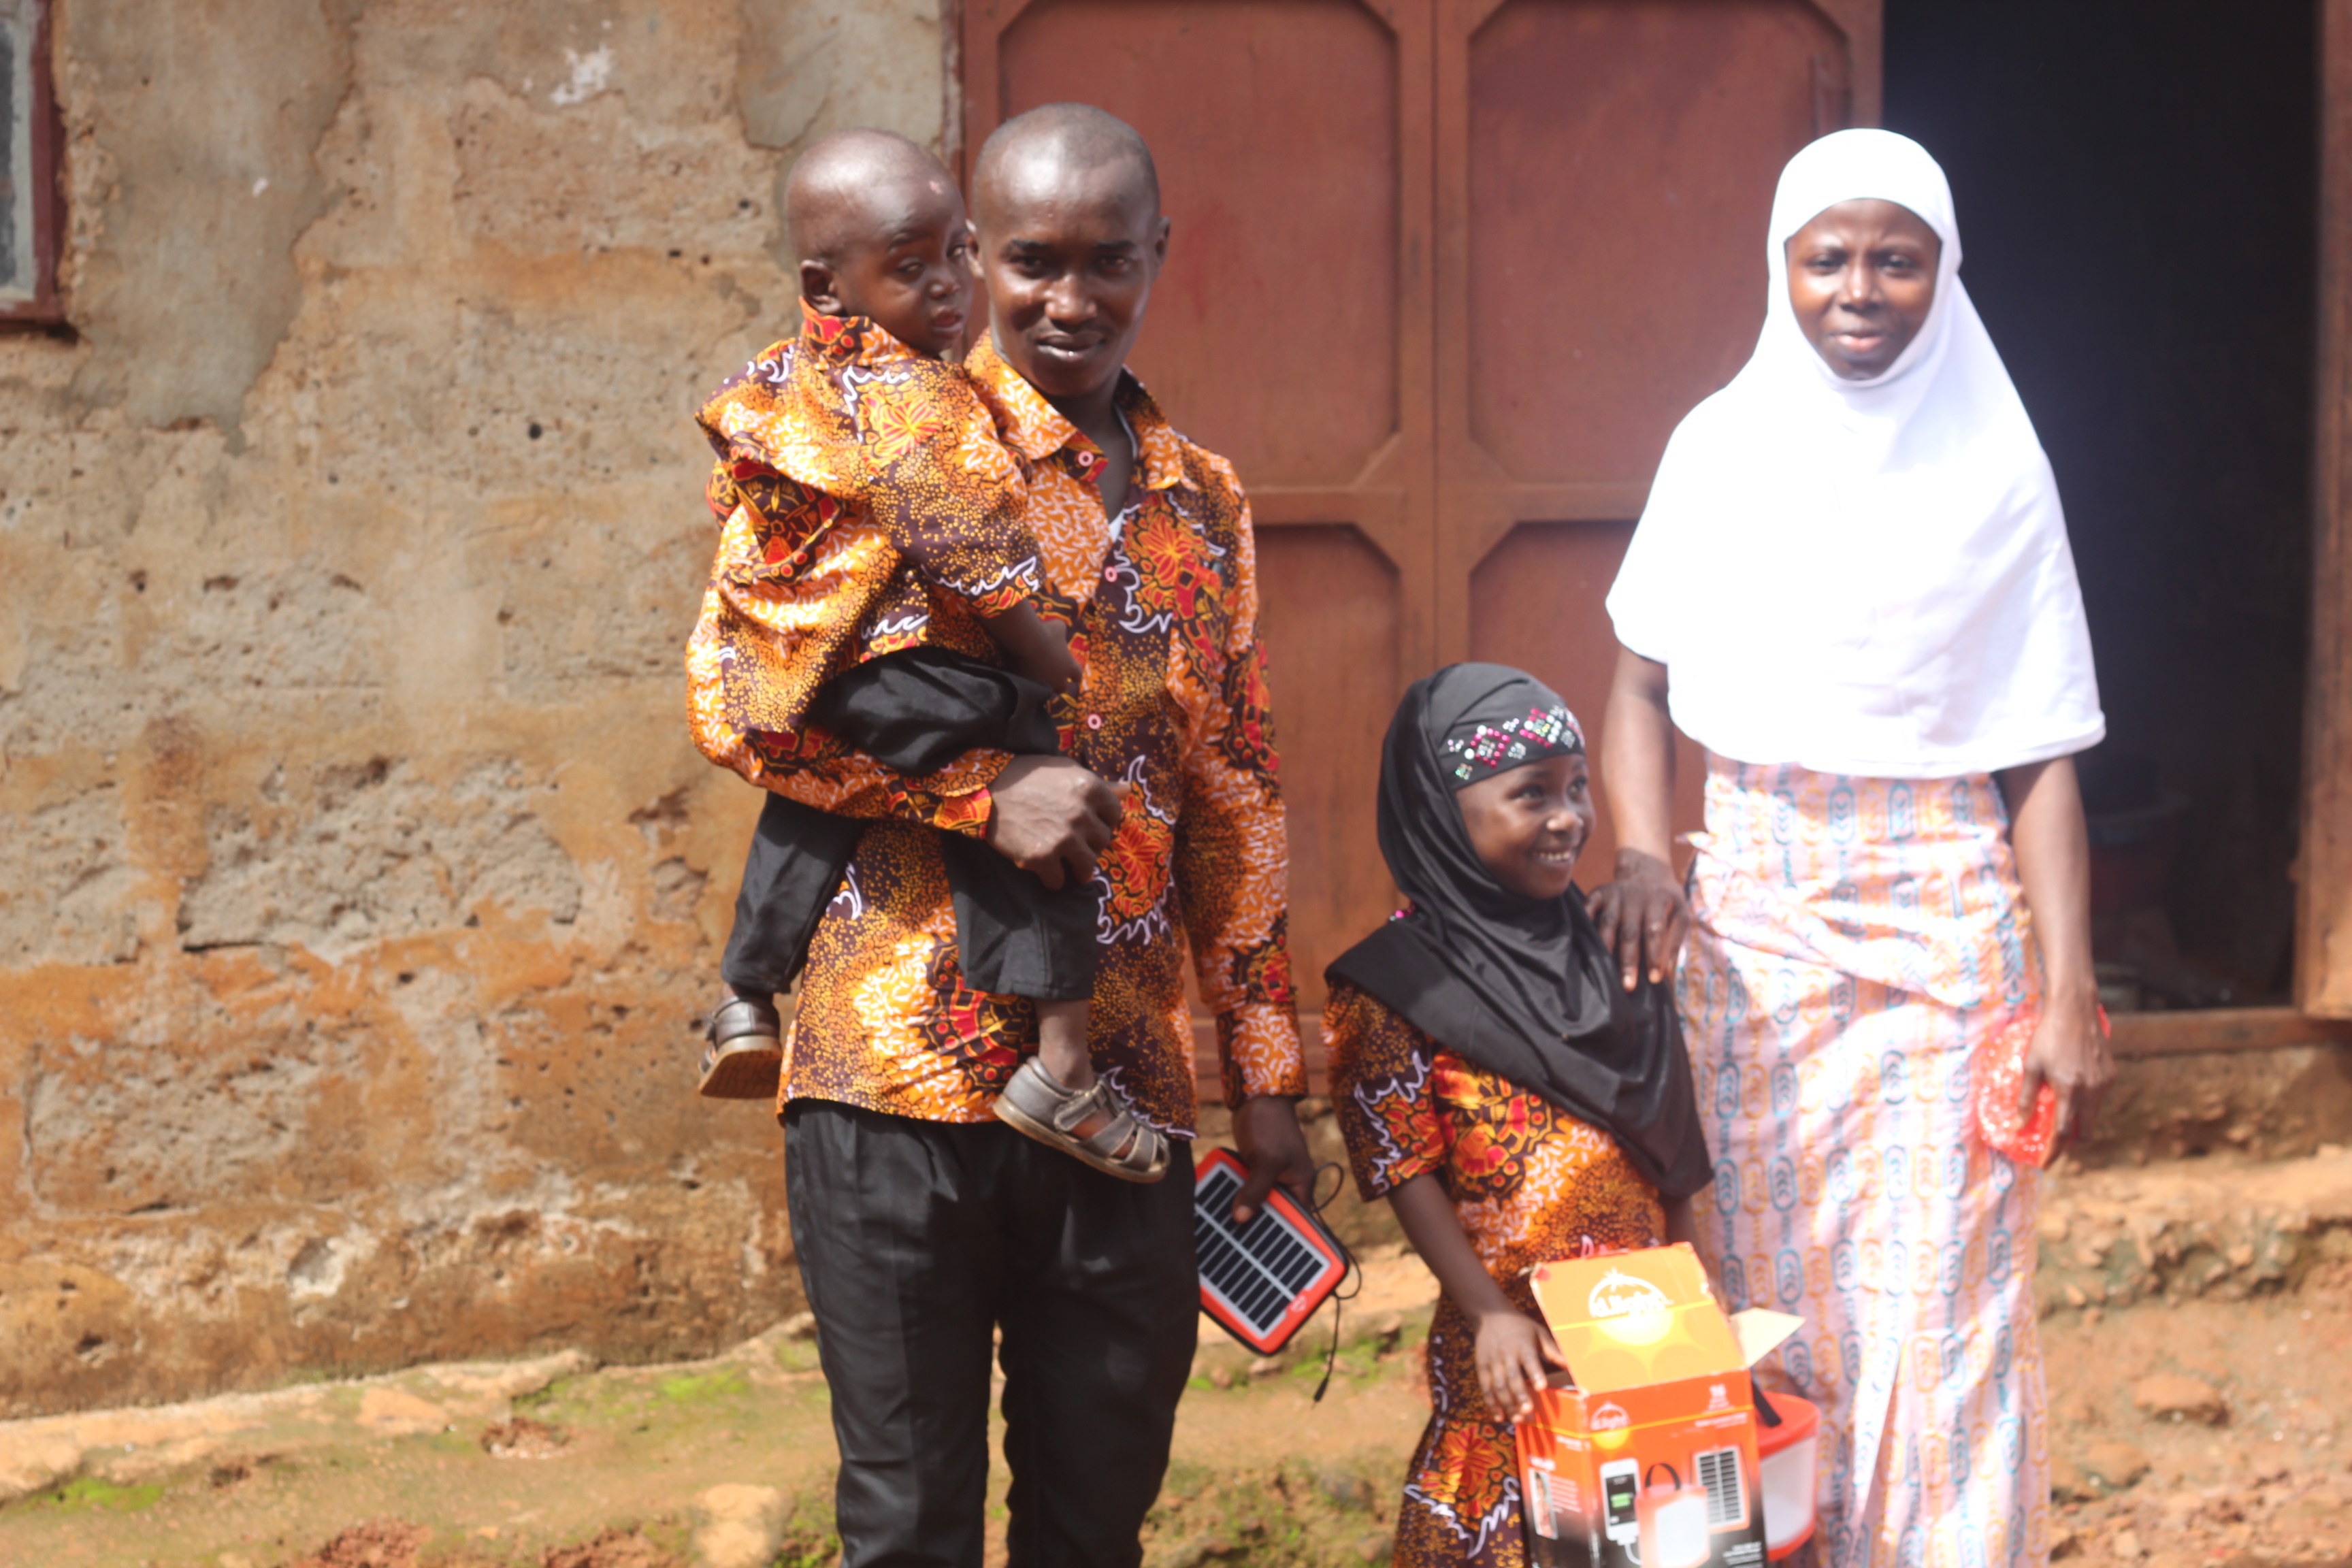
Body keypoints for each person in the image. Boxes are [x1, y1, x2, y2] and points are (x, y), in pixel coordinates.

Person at [691, 103, 1314, 1567]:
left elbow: (1236, 788)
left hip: (1124, 1089)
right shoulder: (869, 438)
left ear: (1160, 255)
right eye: (1034, 261)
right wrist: (977, 792)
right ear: (976, 255)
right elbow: (739, 707)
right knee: (910, 1522)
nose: (1069, 299)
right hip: (893, 1075)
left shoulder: (1204, 503)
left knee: (1098, 1516)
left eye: (1110, 261)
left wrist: (1266, 1069)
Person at [1592, 129, 2113, 1568]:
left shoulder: (2001, 467)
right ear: (1783, 269)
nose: (1861, 288)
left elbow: (2042, 752)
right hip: (1755, 932)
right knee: (1762, 1295)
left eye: (1898, 259)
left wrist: (2069, 987)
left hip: (1952, 934)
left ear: (1948, 273)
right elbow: (1637, 687)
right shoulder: (1716, 450)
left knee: (1949, 1316)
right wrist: (1644, 859)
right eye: (1828, 258)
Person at [687, 128, 1162, 1180]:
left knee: (812, 800)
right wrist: (1046, 671)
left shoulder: (783, 378)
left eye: (957, 254)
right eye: (915, 265)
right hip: (880, 1066)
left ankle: (743, 995)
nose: (951, 284)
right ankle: (1063, 1063)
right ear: (828, 283)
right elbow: (976, 557)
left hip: (814, 663)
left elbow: (738, 490)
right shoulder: (922, 401)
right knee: (1044, 769)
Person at [1325, 664, 1714, 1568]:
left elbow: (1673, 1140)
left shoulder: (1617, 949)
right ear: (1441, 809)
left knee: (1656, 1534)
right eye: (1531, 794)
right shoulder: (1394, 982)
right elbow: (1402, 1167)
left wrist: (1696, 1286)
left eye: (1577, 788)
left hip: (1644, 1334)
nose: (1569, 818)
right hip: (1512, 1339)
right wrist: (1484, 1311)